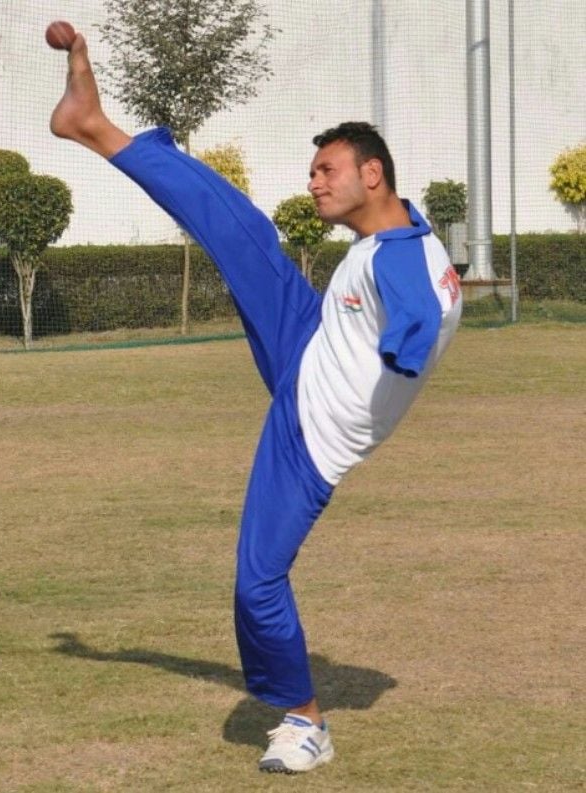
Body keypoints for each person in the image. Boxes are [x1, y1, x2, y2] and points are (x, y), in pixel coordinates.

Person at [50, 32, 462, 775]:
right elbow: (409, 284)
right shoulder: (401, 235)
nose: (314, 182)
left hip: (313, 431)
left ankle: (305, 721)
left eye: (326, 169)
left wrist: (405, 343)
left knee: (257, 581)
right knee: (240, 230)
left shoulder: (404, 258)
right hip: (309, 342)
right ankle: (94, 126)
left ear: (374, 173)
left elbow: (418, 313)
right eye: (312, 170)